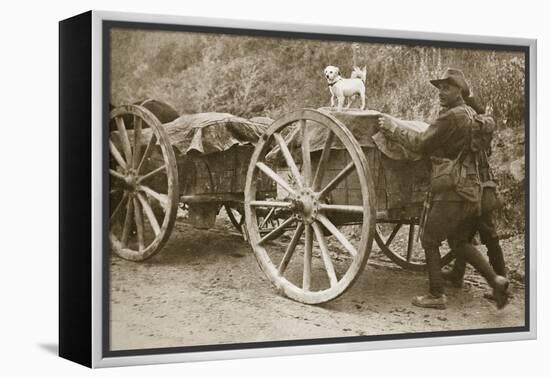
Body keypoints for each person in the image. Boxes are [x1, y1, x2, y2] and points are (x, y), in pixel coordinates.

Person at [378, 68, 509, 310]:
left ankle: (436, 295)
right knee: (459, 241)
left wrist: (392, 128)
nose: (441, 92)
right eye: (439, 87)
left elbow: (421, 144)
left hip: (452, 189)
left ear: (459, 90)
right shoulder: (471, 113)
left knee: (429, 239)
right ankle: (496, 281)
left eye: (446, 88)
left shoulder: (450, 118)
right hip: (472, 187)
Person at [443, 93, 508, 298]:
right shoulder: (482, 125)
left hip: (475, 188)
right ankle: (458, 274)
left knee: (461, 237)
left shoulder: (464, 127)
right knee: (483, 236)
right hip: (486, 184)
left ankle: (500, 284)